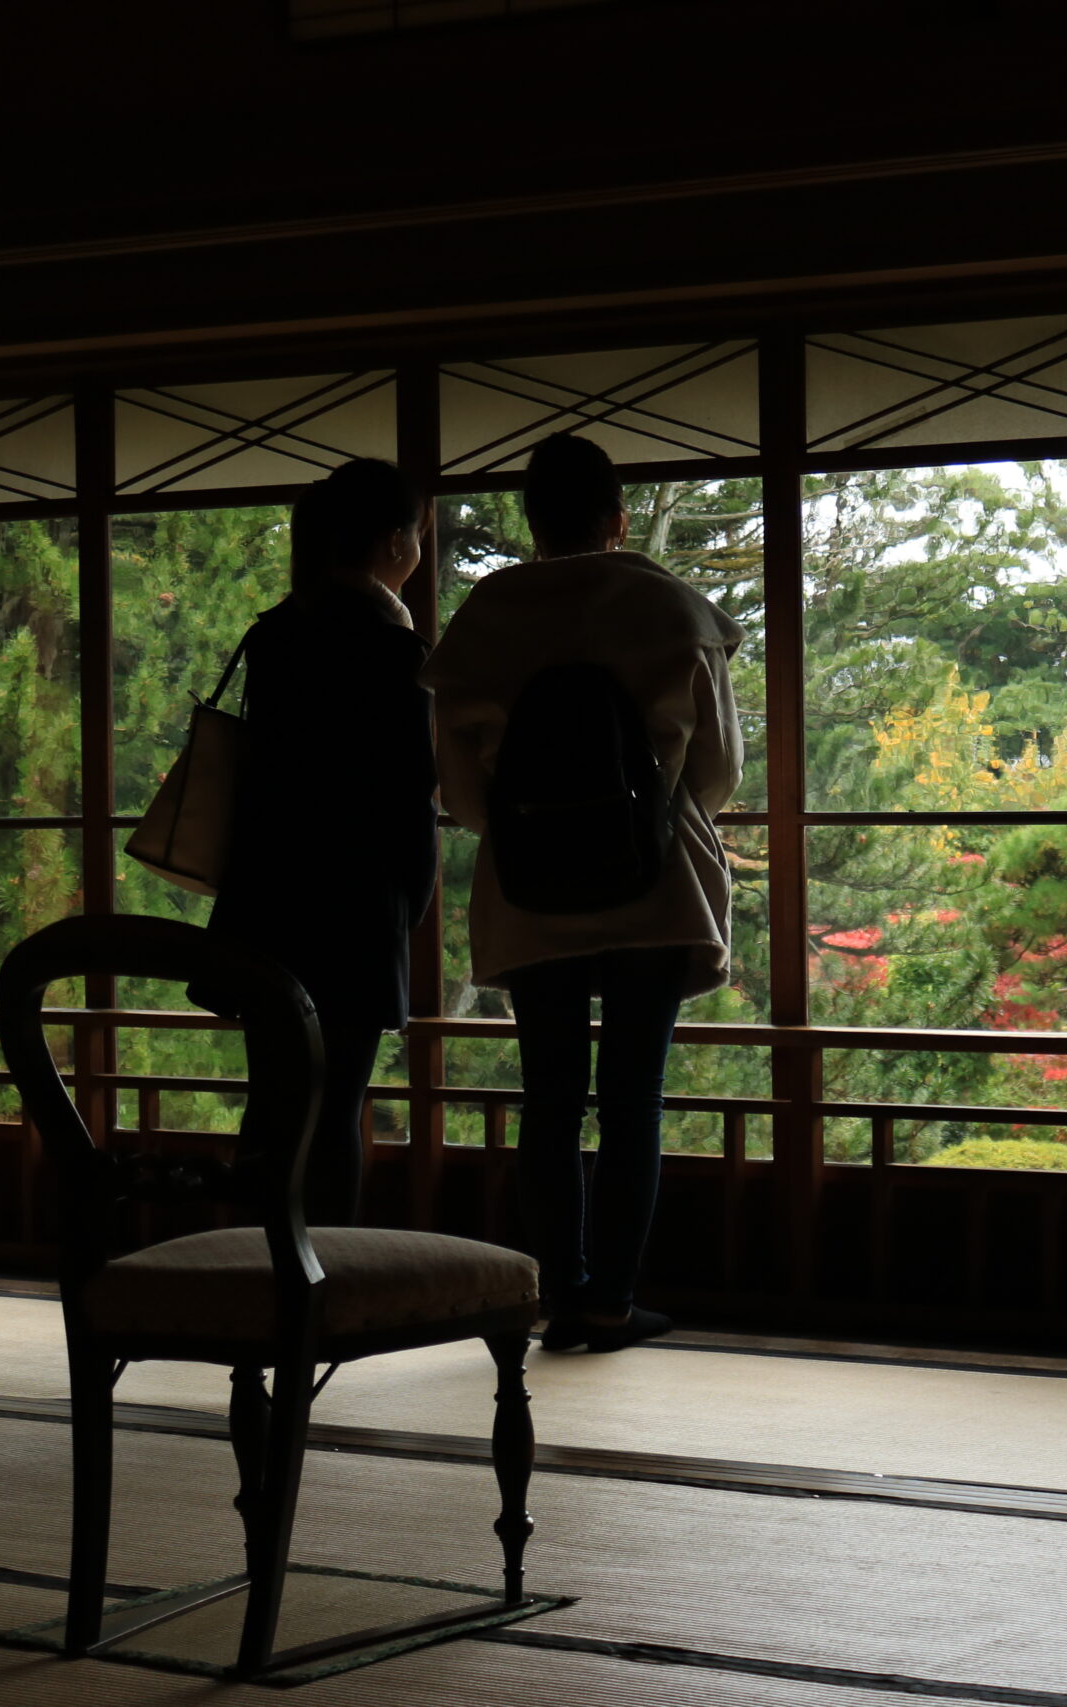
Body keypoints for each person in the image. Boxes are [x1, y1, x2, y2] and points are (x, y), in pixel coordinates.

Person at [423, 435, 744, 1352]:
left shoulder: (488, 619)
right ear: (618, 520)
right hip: (655, 890)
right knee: (634, 1098)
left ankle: (558, 1295)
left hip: (531, 893)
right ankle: (612, 1301)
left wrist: (535, 821)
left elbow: (463, 798)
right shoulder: (669, 608)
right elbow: (718, 773)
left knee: (551, 1100)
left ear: (532, 521)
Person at [196, 458, 440, 1227]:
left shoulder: (276, 635)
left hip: (266, 909)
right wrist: (410, 906)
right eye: (419, 534)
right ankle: (323, 1278)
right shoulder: (394, 651)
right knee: (335, 1111)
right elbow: (411, 801)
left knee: (272, 1104)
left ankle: (255, 1270)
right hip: (356, 917)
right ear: (396, 542)